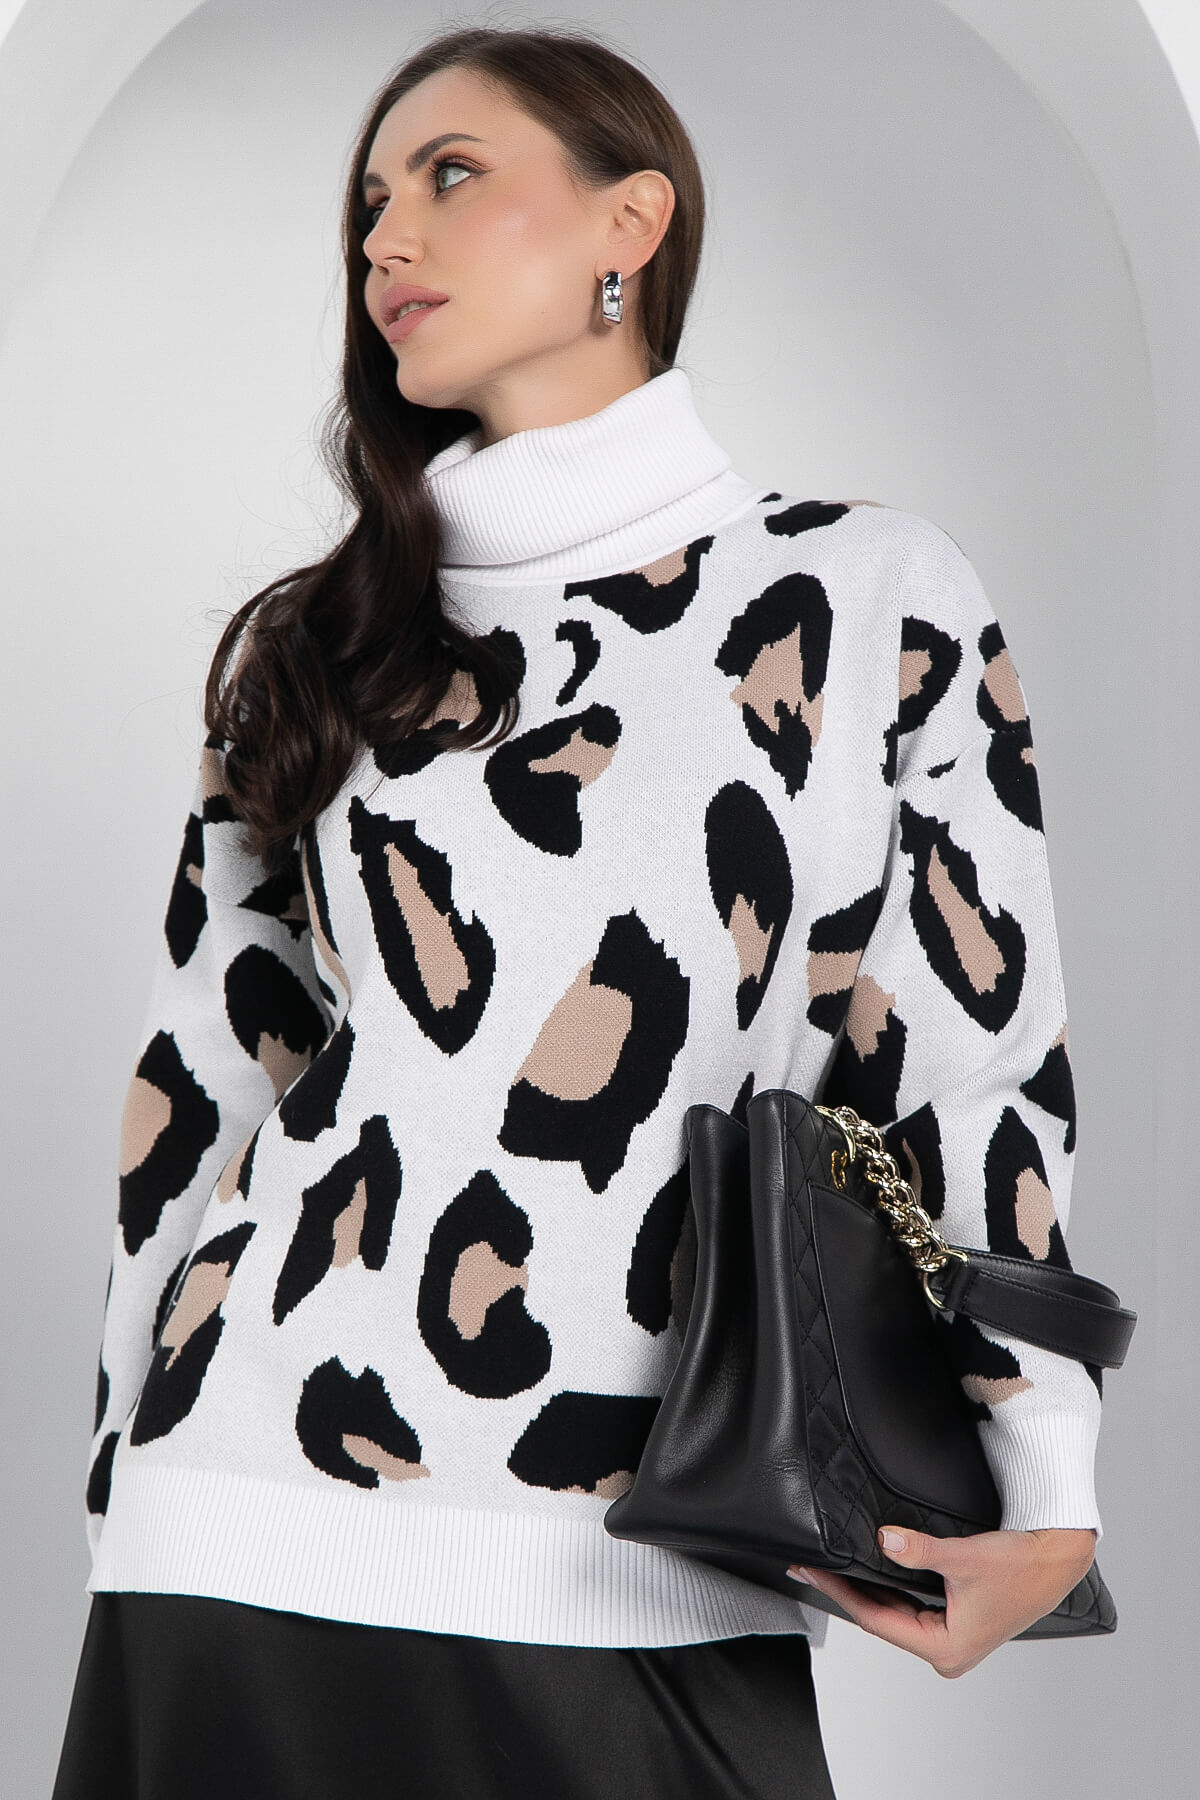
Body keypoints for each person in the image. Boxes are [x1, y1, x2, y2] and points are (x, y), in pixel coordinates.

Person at [51, 22, 1102, 1798]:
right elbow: (201, 1092)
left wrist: (1051, 1474)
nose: (387, 238)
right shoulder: (323, 641)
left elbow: (968, 1057)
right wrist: (122, 1489)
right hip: (230, 1525)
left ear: (634, 220)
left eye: (450, 176)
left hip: (649, 1557)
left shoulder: (865, 595)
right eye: (368, 206)